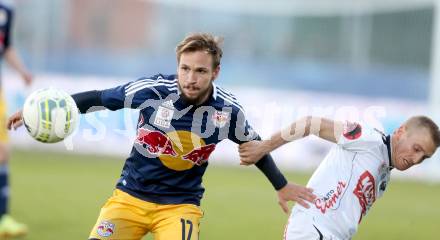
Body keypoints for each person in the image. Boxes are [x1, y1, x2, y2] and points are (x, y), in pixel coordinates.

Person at [8, 33, 315, 240]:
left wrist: (282, 184)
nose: (191, 79)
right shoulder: (153, 91)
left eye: (200, 71)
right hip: (128, 198)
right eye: (185, 69)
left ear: (215, 73)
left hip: (179, 206)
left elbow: (255, 146)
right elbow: (100, 97)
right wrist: (44, 108)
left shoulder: (228, 111)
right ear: (177, 67)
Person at [239, 115, 440, 239]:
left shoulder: (385, 172)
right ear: (400, 132)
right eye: (416, 149)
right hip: (312, 230)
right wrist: (264, 147)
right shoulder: (368, 139)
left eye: (424, 157)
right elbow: (311, 123)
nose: (416, 159)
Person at [0, 0, 32, 238]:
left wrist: (21, 70)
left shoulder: (6, 11)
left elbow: (6, 46)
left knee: (2, 152)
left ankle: (3, 218)